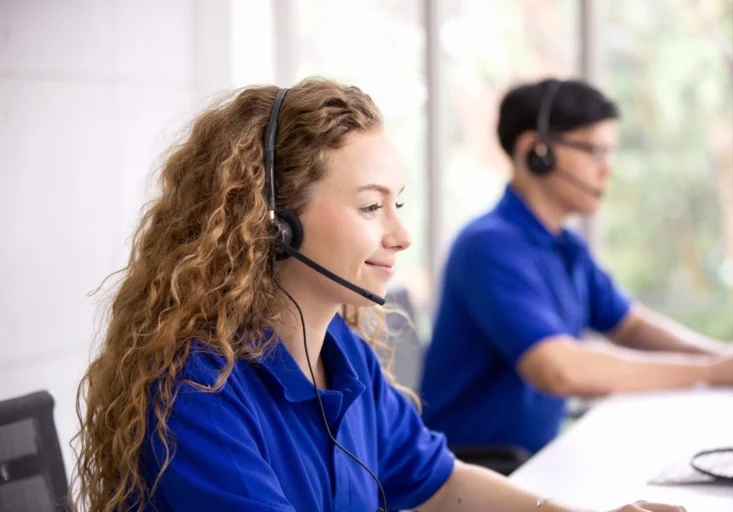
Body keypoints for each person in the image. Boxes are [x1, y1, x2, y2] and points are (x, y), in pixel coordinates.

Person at [70, 78, 686, 512]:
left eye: (398, 204)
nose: (401, 235)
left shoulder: (345, 356)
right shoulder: (197, 389)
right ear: (273, 224)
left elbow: (442, 483)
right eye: (371, 207)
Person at [420, 77, 733, 458]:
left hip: (536, 459)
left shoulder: (565, 245)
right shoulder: (488, 245)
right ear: (536, 150)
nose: (607, 170)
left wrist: (724, 357)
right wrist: (713, 372)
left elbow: (630, 326)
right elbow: (559, 370)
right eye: (594, 152)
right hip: (474, 468)